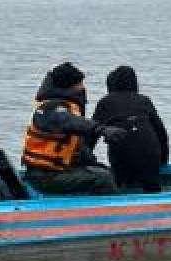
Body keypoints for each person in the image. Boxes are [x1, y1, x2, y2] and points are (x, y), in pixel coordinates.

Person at [19, 61, 122, 196]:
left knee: (106, 173)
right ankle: (111, 213)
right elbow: (69, 121)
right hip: (44, 177)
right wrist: (101, 129)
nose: (83, 87)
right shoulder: (49, 110)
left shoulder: (67, 108)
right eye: (79, 84)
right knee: (102, 179)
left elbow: (79, 147)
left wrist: (96, 165)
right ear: (69, 86)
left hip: (57, 171)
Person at [92, 65, 170, 194]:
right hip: (151, 158)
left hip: (122, 160)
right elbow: (161, 133)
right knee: (151, 186)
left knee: (116, 180)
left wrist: (84, 161)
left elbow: (91, 134)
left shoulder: (106, 102)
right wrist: (163, 161)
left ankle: (118, 193)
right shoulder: (144, 100)